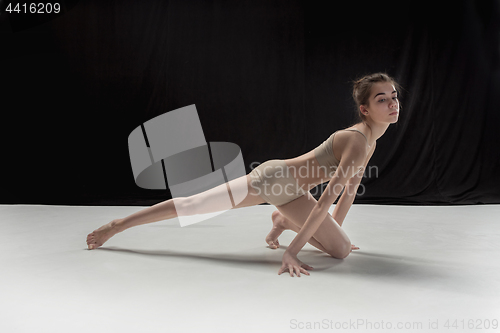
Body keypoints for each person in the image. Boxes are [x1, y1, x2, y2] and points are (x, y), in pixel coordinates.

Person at [86, 72, 401, 277]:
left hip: (291, 192)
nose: (392, 103)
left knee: (341, 250)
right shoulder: (357, 141)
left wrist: (334, 234)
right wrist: (292, 253)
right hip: (275, 179)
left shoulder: (371, 141)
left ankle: (281, 221)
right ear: (364, 109)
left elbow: (348, 193)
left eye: (393, 96)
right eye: (382, 99)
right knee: (194, 206)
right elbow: (325, 202)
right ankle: (118, 225)